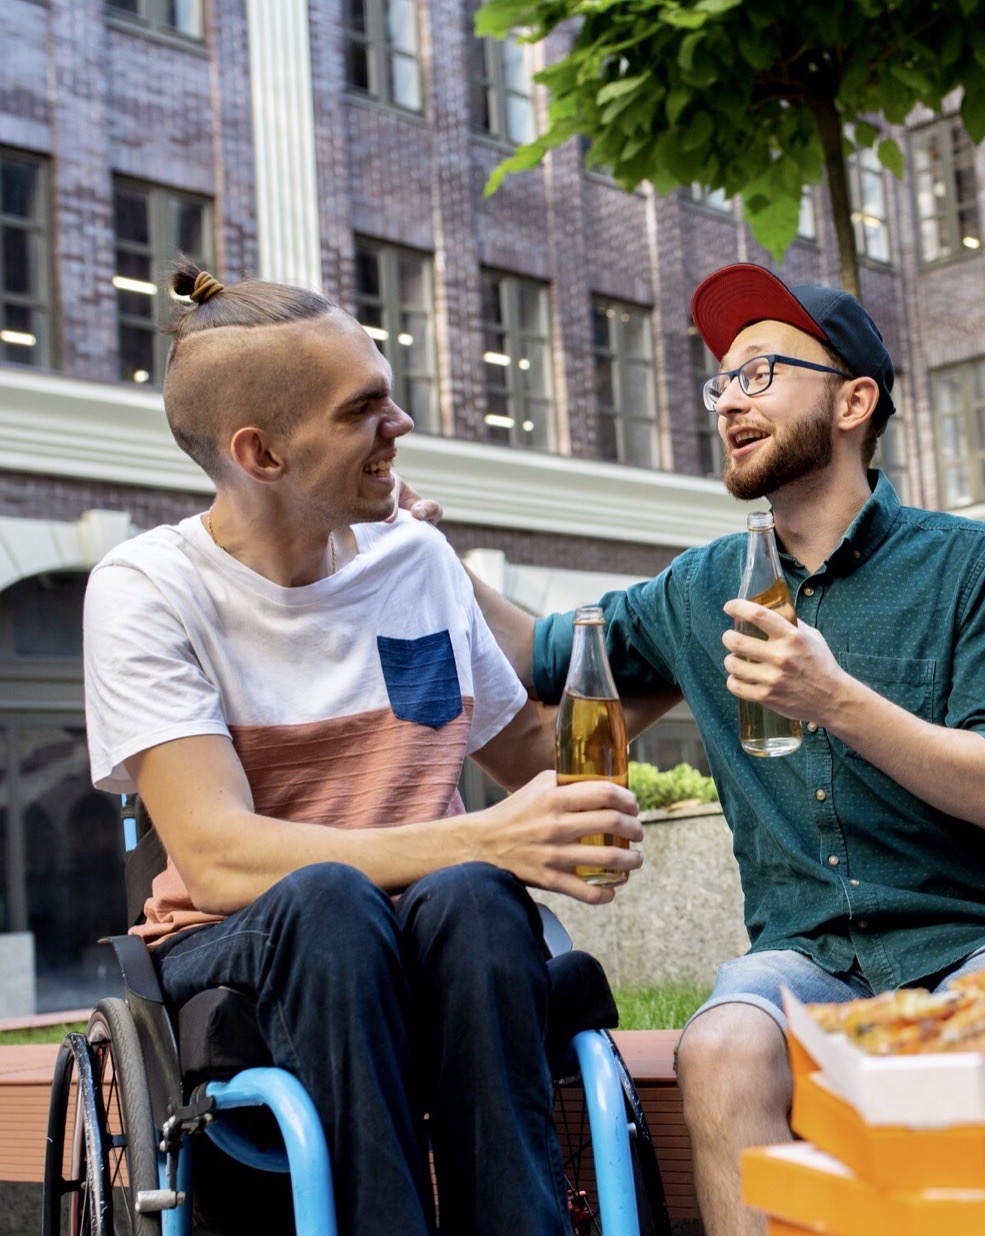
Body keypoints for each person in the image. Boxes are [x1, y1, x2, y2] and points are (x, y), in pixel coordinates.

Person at [468, 263, 985, 1236]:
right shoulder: (698, 587)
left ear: (852, 402)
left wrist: (832, 698)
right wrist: (416, 543)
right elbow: (536, 655)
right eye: (722, 381)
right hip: (802, 956)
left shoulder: (978, 563)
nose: (728, 401)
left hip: (977, 938)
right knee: (720, 1049)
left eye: (761, 373)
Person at [82, 261, 645, 1236]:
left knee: (474, 895)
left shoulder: (414, 559)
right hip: (245, 938)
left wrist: (704, 658)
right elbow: (216, 859)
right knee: (335, 900)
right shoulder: (149, 590)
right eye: (364, 410)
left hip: (436, 926)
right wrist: (485, 839)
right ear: (260, 452)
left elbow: (532, 753)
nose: (403, 426)